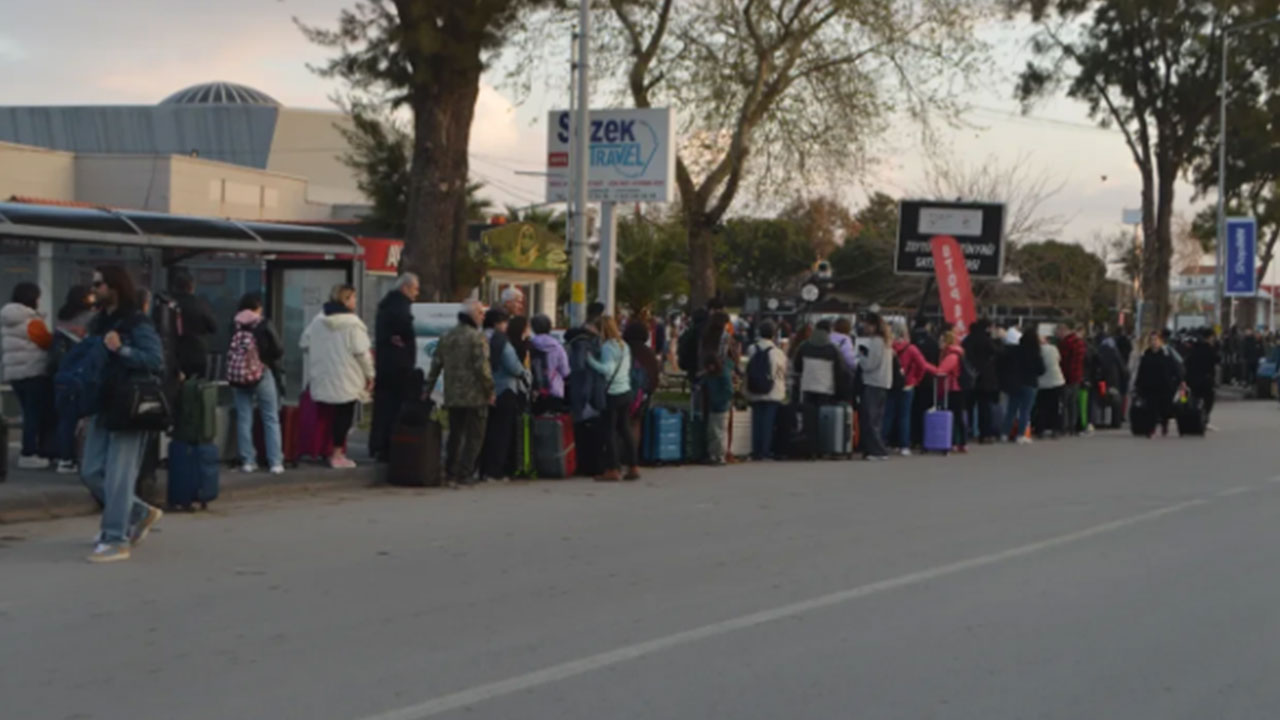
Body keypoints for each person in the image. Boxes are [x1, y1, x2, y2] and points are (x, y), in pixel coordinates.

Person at [82, 266, 166, 563]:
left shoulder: (136, 322)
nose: (95, 290)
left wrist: (123, 351)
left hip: (130, 404)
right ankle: (138, 512)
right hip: (103, 402)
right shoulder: (98, 322)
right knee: (91, 470)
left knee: (119, 474)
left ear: (115, 286)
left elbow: (155, 360)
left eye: (99, 284)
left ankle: (115, 537)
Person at [299, 285, 374, 469]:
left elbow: (304, 342)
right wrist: (370, 375)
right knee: (343, 417)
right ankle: (337, 454)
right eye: (354, 298)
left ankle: (323, 451)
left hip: (323, 377)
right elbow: (362, 353)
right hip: (346, 378)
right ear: (346, 300)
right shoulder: (353, 324)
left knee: (326, 417)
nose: (356, 302)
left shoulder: (318, 320)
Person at [424, 300, 494, 488]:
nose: (483, 316)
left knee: (456, 434)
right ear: (471, 315)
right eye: (480, 313)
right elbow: (482, 369)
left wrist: (427, 389)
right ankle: (465, 472)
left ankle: (450, 471)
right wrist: (490, 390)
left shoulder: (446, 336)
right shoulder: (476, 338)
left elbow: (435, 365)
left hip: (453, 394)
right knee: (475, 435)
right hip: (475, 395)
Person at [230, 293, 286, 474]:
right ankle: (275, 462)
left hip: (239, 376)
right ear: (258, 308)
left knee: (244, 418)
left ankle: (248, 461)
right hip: (262, 373)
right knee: (270, 417)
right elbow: (278, 349)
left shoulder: (235, 324)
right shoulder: (263, 324)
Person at [2, 282, 55, 469]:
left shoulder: (9, 319)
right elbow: (48, 342)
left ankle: (29, 451)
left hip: (15, 375)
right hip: (33, 372)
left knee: (27, 413)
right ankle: (29, 452)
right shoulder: (32, 322)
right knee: (34, 415)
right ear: (32, 298)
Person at [368, 273, 419, 462]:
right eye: (414, 289)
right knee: (394, 408)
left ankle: (378, 445)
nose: (417, 293)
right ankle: (389, 447)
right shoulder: (401, 306)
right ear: (405, 288)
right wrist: (405, 340)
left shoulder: (385, 305)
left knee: (382, 408)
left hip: (385, 365)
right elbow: (406, 330)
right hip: (399, 367)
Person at [479, 308, 529, 482]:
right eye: (505, 322)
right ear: (498, 323)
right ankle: (495, 470)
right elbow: (513, 365)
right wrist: (525, 374)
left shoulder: (478, 337)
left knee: (485, 431)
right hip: (504, 389)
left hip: (482, 390)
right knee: (501, 432)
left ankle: (482, 469)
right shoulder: (501, 341)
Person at [50, 285, 96, 473]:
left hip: (62, 373)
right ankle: (75, 457)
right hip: (81, 373)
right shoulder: (90, 319)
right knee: (84, 418)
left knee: (65, 419)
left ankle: (63, 458)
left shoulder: (61, 317)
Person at [587, 316, 637, 481]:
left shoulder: (608, 347)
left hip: (612, 393)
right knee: (625, 429)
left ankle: (613, 468)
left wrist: (591, 361)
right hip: (626, 390)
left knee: (609, 431)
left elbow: (607, 370)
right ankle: (633, 466)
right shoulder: (624, 346)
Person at [744, 319, 788, 461]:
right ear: (774, 335)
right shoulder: (777, 352)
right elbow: (781, 371)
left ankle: (756, 450)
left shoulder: (752, 349)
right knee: (768, 423)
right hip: (772, 391)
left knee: (756, 421)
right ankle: (765, 451)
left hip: (755, 388)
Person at [886, 322, 929, 456]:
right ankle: (904, 445)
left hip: (890, 384)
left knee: (888, 415)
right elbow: (923, 366)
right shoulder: (911, 349)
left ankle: (883, 442)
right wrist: (916, 379)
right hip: (907, 385)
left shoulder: (888, 347)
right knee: (904, 416)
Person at [699, 311, 736, 465]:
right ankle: (722, 452)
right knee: (722, 424)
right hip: (721, 375)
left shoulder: (705, 337)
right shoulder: (725, 337)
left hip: (708, 377)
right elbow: (730, 355)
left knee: (711, 423)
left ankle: (711, 452)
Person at [167, 270, 218, 379]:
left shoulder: (168, 304)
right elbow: (213, 327)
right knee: (196, 388)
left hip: (173, 353)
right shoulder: (200, 305)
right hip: (197, 353)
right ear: (192, 287)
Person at [1001, 327, 1044, 444]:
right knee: (1025, 410)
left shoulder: (1014, 351)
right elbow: (1041, 370)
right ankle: (1021, 435)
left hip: (1015, 383)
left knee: (1011, 410)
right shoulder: (1036, 353)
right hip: (1030, 383)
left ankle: (1005, 434)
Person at [858, 313, 893, 461]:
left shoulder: (875, 342)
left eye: (866, 325)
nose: (864, 327)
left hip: (873, 382)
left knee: (870, 418)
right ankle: (874, 449)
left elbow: (870, 364)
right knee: (877, 418)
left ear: (873, 326)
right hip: (884, 382)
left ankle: (877, 450)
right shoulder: (886, 342)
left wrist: (861, 358)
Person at [624, 318, 661, 450]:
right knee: (636, 423)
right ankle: (633, 454)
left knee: (622, 423)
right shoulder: (649, 353)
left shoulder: (625, 350)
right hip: (643, 394)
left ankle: (621, 453)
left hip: (624, 391)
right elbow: (655, 375)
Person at [1134, 331, 1180, 437]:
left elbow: (1175, 369)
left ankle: (1164, 424)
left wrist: (1180, 380)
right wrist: (1138, 385)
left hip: (1164, 387)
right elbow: (1141, 371)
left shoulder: (1166, 355)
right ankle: (1151, 429)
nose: (1154, 342)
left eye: (1156, 340)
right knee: (1151, 409)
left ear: (1160, 341)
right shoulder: (1146, 355)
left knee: (1164, 409)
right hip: (1150, 387)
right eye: (1152, 340)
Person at [962, 319, 1000, 442]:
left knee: (968, 407)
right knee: (985, 407)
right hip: (985, 378)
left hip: (969, 377)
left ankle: (967, 431)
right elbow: (997, 352)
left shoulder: (966, 341)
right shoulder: (986, 340)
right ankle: (985, 434)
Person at [930, 330, 969, 452]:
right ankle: (960, 442)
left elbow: (941, 371)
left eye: (941, 340)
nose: (939, 343)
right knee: (958, 416)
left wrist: (927, 366)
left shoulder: (951, 356)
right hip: (957, 388)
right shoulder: (957, 353)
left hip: (953, 388)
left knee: (955, 416)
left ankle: (957, 442)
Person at [529, 314, 570, 415]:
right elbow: (565, 371)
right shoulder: (557, 347)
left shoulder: (529, 345)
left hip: (534, 391)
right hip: (555, 390)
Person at [1183, 327, 1220, 427]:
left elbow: (1187, 363)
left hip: (1193, 379)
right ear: (1210, 337)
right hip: (1206, 379)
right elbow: (1217, 359)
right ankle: (1204, 418)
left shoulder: (1193, 348)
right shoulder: (1209, 348)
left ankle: (1194, 419)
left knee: (1194, 399)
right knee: (1208, 399)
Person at [1057, 322, 1087, 436]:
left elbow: (1064, 361)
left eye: (1058, 332)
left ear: (1063, 331)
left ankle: (1064, 426)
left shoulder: (1065, 343)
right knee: (1073, 403)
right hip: (1077, 376)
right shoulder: (1079, 343)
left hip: (1067, 376)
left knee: (1064, 403)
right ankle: (1072, 426)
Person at [1036, 334, 1066, 438]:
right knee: (1056, 407)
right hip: (1057, 381)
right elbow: (1059, 360)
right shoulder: (1053, 348)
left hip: (1042, 384)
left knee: (1042, 408)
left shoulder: (1036, 351)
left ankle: (1041, 429)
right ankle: (1056, 429)